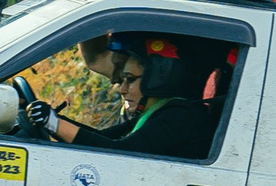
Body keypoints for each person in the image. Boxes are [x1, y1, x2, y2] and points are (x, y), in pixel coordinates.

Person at [19, 35, 218, 160]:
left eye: (129, 80)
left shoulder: (180, 117)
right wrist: (52, 120)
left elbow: (121, 152)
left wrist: (55, 124)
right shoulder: (158, 111)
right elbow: (103, 137)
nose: (122, 89)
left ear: (158, 78)